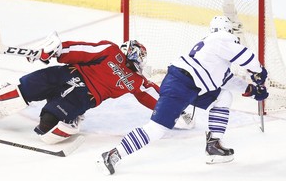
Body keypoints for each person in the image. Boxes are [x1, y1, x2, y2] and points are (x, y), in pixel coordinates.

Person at [96, 15, 269, 175]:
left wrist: (252, 91)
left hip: (191, 85)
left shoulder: (213, 53)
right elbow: (246, 56)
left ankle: (214, 146)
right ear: (227, 30)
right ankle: (113, 154)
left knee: (223, 96)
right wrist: (259, 71)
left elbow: (225, 80)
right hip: (181, 84)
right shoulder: (221, 38)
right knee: (157, 129)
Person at [0, 32, 163, 144]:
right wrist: (58, 51)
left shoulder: (136, 80)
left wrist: (172, 105)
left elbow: (151, 95)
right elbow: (83, 50)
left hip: (83, 94)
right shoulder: (111, 50)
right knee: (22, 90)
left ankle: (71, 119)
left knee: (47, 128)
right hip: (66, 73)